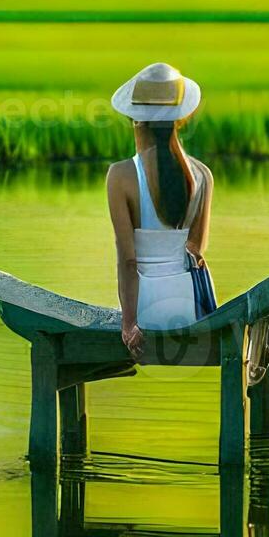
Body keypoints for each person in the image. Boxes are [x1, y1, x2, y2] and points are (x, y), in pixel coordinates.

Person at [106, 62, 213, 361]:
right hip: (189, 310)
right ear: (179, 119)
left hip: (145, 311)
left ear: (136, 120)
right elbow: (196, 250)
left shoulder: (120, 176)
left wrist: (129, 324)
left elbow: (128, 261)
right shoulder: (202, 175)